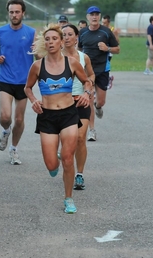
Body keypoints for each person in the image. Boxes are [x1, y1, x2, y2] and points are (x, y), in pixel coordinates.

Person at [24, 23, 93, 214]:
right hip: (46, 117)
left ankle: (68, 198)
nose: (51, 42)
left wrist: (87, 93)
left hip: (68, 114)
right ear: (44, 43)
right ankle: (53, 161)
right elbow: (27, 88)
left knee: (68, 158)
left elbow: (87, 81)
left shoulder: (72, 63)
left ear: (62, 42)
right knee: (51, 165)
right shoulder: (37, 66)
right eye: (47, 39)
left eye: (55, 38)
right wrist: (33, 100)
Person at [0, 0, 37, 165]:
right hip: (6, 79)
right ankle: (6, 131)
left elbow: (39, 56)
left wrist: (40, 53)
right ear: (8, 13)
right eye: (11, 12)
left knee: (19, 120)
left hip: (24, 81)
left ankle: (13, 149)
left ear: (23, 13)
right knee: (6, 116)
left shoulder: (31, 33)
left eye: (17, 12)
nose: (14, 15)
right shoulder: (0, 31)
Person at [78, 6, 120, 141]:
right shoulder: (83, 32)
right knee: (88, 100)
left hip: (102, 70)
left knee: (100, 101)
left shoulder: (106, 32)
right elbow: (78, 49)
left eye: (97, 14)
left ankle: (98, 107)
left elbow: (117, 49)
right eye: (92, 14)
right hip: (87, 71)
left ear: (100, 17)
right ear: (87, 17)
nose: (94, 17)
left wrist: (107, 48)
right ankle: (92, 130)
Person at [62, 24, 95, 190]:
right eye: (64, 35)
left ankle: (79, 175)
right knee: (68, 139)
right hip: (61, 103)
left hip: (81, 100)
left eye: (70, 34)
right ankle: (64, 160)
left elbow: (91, 75)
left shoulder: (84, 57)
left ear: (76, 38)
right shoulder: (55, 57)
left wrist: (87, 91)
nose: (67, 37)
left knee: (81, 138)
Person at [101, 14, 120, 90]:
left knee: (106, 64)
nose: (103, 24)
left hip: (109, 50)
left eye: (104, 23)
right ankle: (108, 77)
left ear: (108, 22)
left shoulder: (113, 30)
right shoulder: (101, 29)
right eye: (102, 22)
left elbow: (117, 41)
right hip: (102, 50)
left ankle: (108, 78)